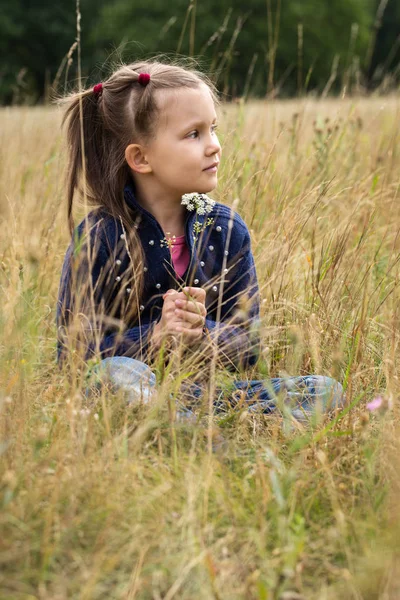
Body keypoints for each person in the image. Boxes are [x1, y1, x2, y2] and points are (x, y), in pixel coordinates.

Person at [57, 60, 344, 420]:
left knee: (324, 390)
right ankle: (178, 425)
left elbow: (249, 346)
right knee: (120, 376)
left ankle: (184, 423)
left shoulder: (225, 230)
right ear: (140, 157)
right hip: (129, 385)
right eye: (194, 134)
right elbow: (71, 356)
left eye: (213, 129)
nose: (214, 146)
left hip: (204, 394)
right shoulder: (99, 237)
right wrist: (156, 335)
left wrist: (202, 332)